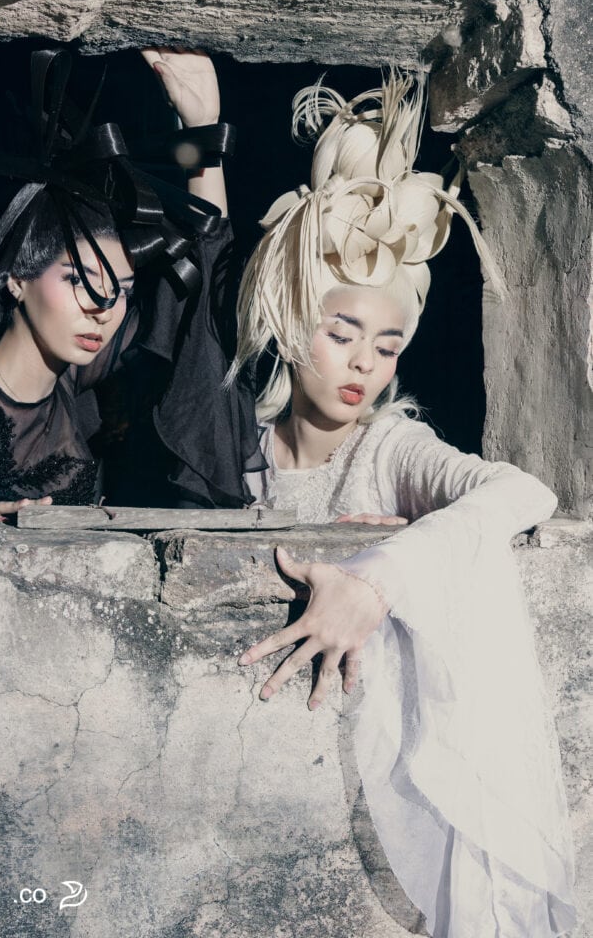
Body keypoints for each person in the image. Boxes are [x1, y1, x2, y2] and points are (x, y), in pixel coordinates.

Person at [231, 73, 576, 936]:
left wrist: (381, 574)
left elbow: (525, 491)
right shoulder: (236, 454)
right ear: (289, 325)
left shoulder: (388, 444)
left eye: (385, 345)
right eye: (340, 333)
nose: (363, 364)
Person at [0, 47, 258, 519]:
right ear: (17, 277)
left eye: (121, 289)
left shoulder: (72, 369)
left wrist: (203, 135)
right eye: (78, 279)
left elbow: (197, 305)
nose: (102, 308)